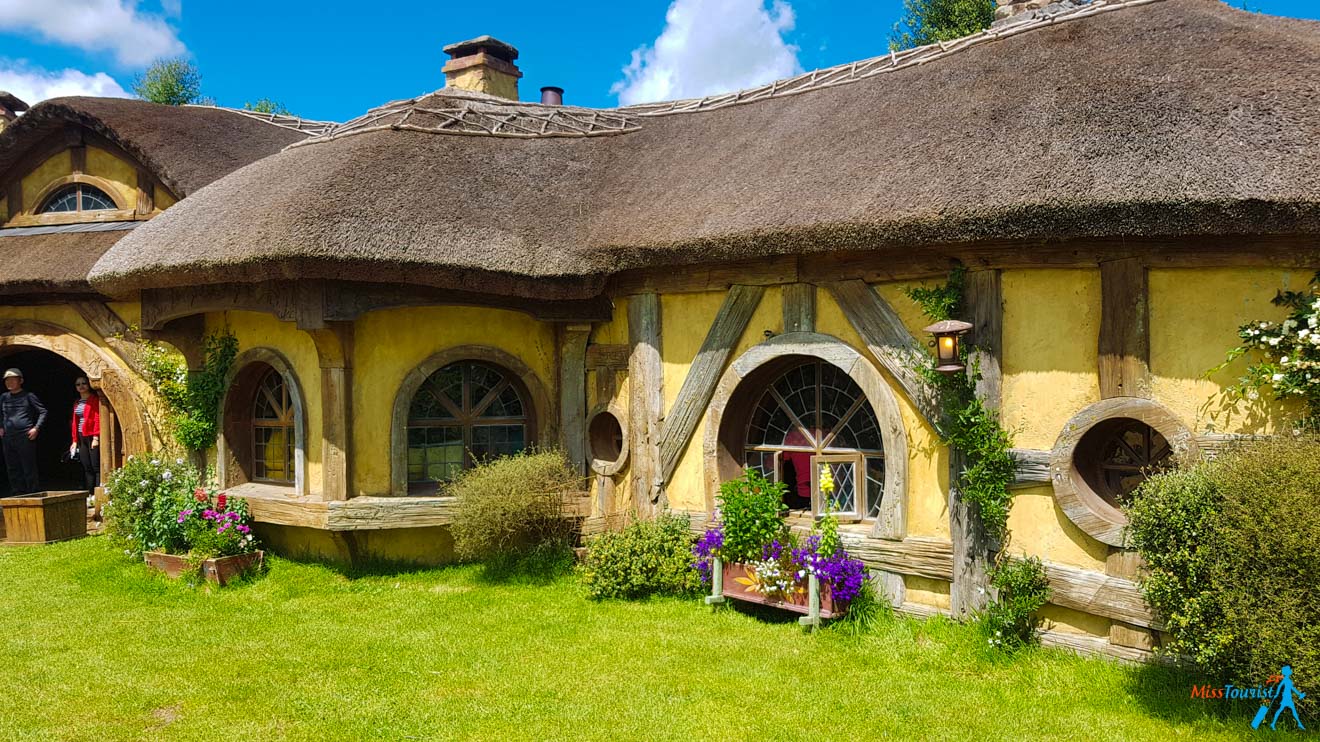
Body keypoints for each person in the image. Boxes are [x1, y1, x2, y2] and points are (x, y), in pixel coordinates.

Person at [0, 368, 47, 494]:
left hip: (25, 435)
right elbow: (1, 413)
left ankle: (33, 492)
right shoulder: (3, 397)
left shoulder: (28, 396)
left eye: (12, 380)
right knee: (12, 466)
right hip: (8, 436)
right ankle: (17, 492)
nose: (9, 383)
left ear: (21, 381)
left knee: (28, 466)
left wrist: (36, 428)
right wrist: (1, 426)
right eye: (7, 380)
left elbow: (43, 411)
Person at [68, 376, 100, 493]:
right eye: (78, 384)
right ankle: (90, 493)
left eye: (84, 383)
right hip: (81, 437)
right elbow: (74, 422)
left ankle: (98, 494)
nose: (81, 386)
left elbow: (97, 418)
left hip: (92, 435)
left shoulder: (94, 399)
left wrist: (96, 437)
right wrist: (74, 441)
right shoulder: (77, 403)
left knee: (95, 466)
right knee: (86, 466)